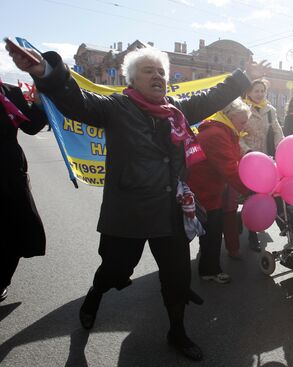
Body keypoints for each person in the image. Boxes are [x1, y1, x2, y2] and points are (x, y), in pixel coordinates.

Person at [9, 45, 256, 361]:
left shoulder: (176, 110)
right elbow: (75, 101)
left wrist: (244, 75)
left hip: (170, 212)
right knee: (115, 269)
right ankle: (95, 297)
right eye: (149, 71)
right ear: (132, 79)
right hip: (130, 212)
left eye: (162, 72)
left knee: (177, 276)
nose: (158, 77)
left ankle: (177, 331)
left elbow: (212, 97)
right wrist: (46, 72)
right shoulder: (115, 107)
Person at [188, 99, 252, 283]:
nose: (244, 126)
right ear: (230, 117)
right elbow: (230, 168)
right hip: (204, 190)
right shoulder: (218, 134)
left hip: (207, 188)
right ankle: (210, 271)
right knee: (212, 232)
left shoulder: (224, 131)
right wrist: (250, 191)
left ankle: (205, 266)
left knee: (209, 231)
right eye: (242, 122)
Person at [1, 81, 48, 303]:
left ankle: (2, 280)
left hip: (9, 171)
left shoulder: (10, 92)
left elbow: (30, 126)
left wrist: (39, 103)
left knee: (17, 227)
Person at [240, 78, 284, 251]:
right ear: (249, 92)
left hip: (266, 160)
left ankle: (283, 225)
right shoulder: (242, 109)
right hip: (249, 159)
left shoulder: (270, 110)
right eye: (256, 90)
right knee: (251, 196)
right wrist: (247, 151)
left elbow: (277, 132)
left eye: (262, 91)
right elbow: (237, 135)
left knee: (274, 193)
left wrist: (281, 149)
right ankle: (252, 234)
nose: (259, 94)